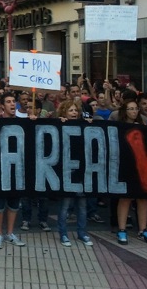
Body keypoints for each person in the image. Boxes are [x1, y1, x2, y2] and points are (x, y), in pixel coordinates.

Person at [115, 100, 147, 245]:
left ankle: (143, 229)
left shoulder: (144, 125)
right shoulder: (119, 126)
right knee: (126, 197)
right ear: (125, 111)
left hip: (142, 166)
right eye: (130, 109)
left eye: (135, 109)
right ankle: (122, 229)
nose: (134, 111)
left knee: (142, 198)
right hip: (125, 165)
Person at [55, 101, 93, 247]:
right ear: (64, 112)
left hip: (81, 172)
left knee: (82, 206)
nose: (73, 113)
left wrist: (90, 124)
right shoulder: (59, 124)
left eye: (75, 111)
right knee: (65, 205)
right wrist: (59, 123)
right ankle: (63, 234)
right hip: (66, 172)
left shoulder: (84, 125)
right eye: (70, 110)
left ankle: (82, 233)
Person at [0, 92, 25, 249]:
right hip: (0, 170)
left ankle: (10, 233)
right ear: (2, 105)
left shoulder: (23, 123)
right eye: (9, 102)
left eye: (14, 101)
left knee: (13, 204)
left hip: (16, 169)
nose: (13, 104)